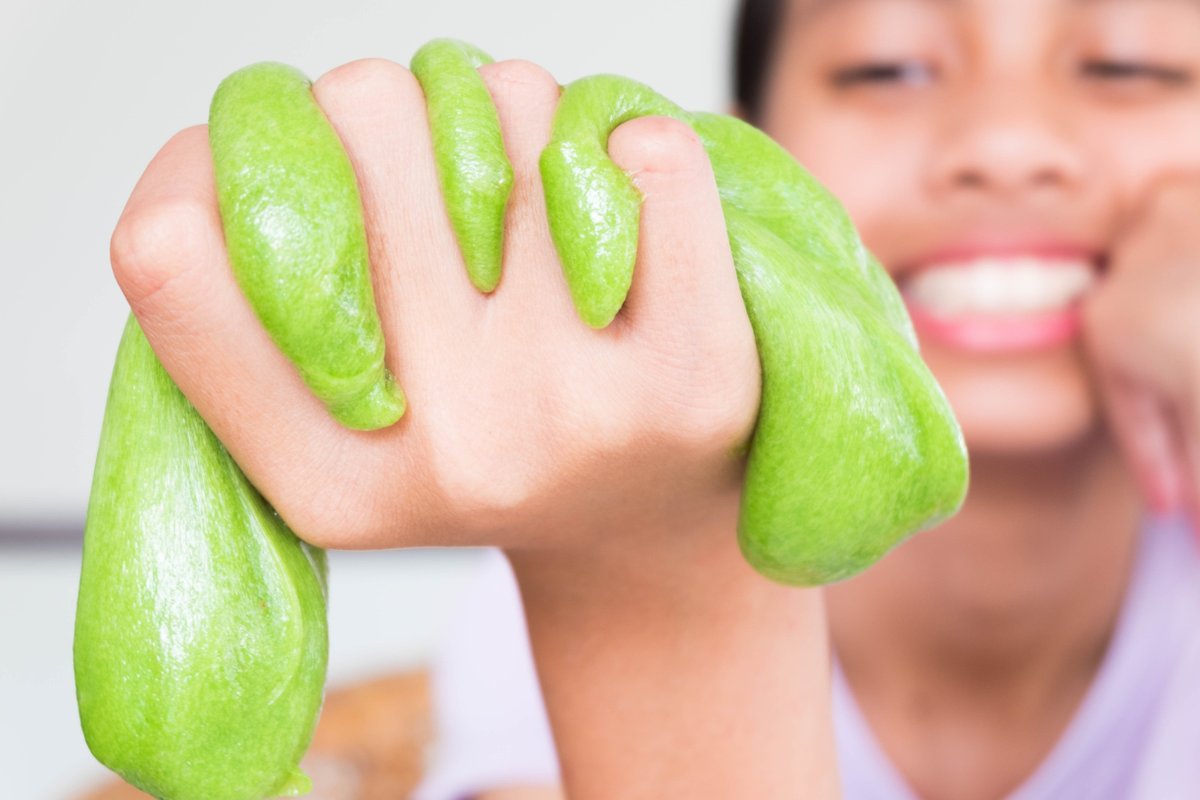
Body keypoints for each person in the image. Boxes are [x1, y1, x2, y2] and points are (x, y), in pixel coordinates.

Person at [107, 0, 1200, 797]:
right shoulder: (516, 639)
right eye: (888, 69)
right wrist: (641, 555)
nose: (1006, 148)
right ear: (742, 146)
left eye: (1129, 66)